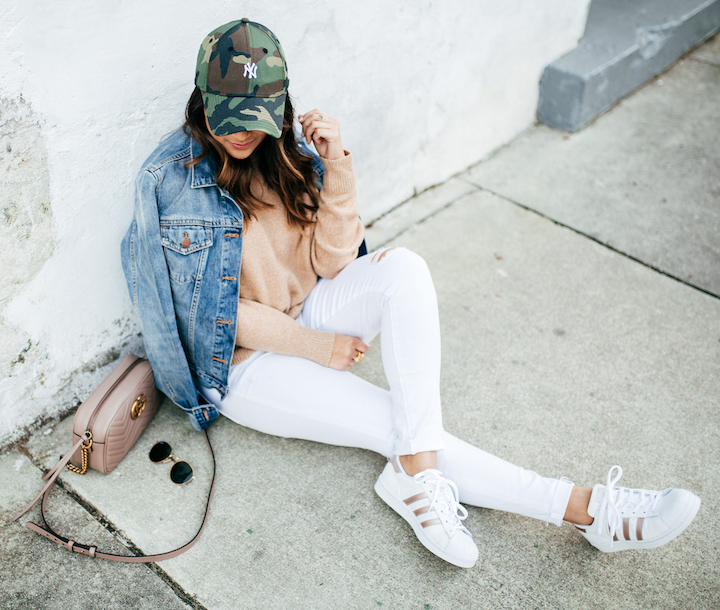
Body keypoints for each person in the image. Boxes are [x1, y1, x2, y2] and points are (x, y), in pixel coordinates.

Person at [121, 19, 700, 568]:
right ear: (202, 102)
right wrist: (316, 347)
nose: (244, 131)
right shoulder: (173, 181)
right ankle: (588, 508)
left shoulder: (285, 152)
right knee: (392, 422)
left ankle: (414, 474)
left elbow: (335, 260)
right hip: (243, 362)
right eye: (231, 116)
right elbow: (213, 316)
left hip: (310, 307)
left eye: (258, 116)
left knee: (405, 272)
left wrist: (335, 165)